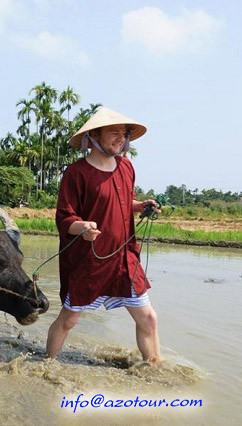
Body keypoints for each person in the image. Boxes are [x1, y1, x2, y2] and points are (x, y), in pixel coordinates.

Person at [46, 107, 161, 364]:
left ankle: (155, 368)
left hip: (123, 258)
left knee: (148, 318)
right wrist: (83, 227)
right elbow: (64, 218)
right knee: (70, 319)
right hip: (90, 260)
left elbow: (120, 201)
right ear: (94, 136)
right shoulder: (76, 173)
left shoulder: (126, 167)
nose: (121, 138)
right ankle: (47, 364)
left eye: (124, 133)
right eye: (114, 133)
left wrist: (140, 205)